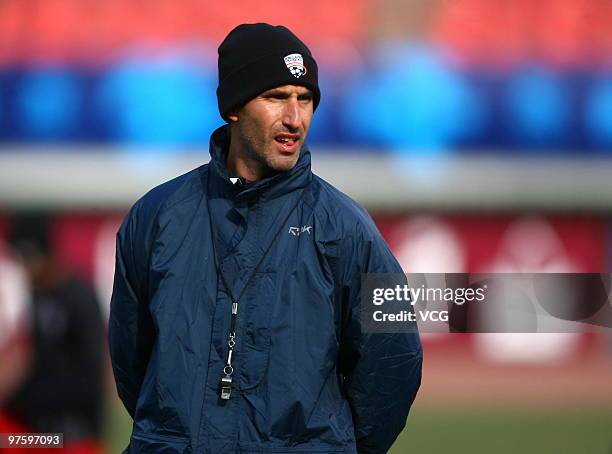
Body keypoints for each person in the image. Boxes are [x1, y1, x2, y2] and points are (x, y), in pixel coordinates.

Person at [109, 23, 422, 454]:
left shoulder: (348, 228)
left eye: (305, 99)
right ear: (234, 107)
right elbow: (132, 362)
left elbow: (393, 363)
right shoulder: (156, 217)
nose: (295, 118)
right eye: (276, 98)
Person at [1, 214, 105, 454]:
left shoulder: (79, 298)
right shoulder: (38, 297)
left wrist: (27, 397)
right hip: (39, 431)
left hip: (71, 434)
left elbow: (88, 377)